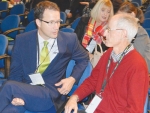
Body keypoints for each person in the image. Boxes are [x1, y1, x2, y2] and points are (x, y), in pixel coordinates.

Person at [0, 1, 89, 113]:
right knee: (11, 109)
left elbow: (84, 59)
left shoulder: (69, 40)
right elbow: (15, 73)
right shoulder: (23, 40)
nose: (56, 26)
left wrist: (72, 79)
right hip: (27, 92)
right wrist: (18, 96)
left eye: (58, 21)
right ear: (38, 22)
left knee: (8, 87)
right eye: (51, 22)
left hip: (50, 96)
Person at [65, 13, 149, 113]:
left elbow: (135, 110)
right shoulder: (109, 53)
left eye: (109, 30)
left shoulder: (137, 66)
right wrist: (74, 97)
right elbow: (92, 81)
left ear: (123, 34)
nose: (104, 33)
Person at [118, 1, 150, 73]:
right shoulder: (127, 31)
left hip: (139, 73)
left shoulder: (140, 34)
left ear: (132, 15)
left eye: (123, 18)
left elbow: (136, 60)